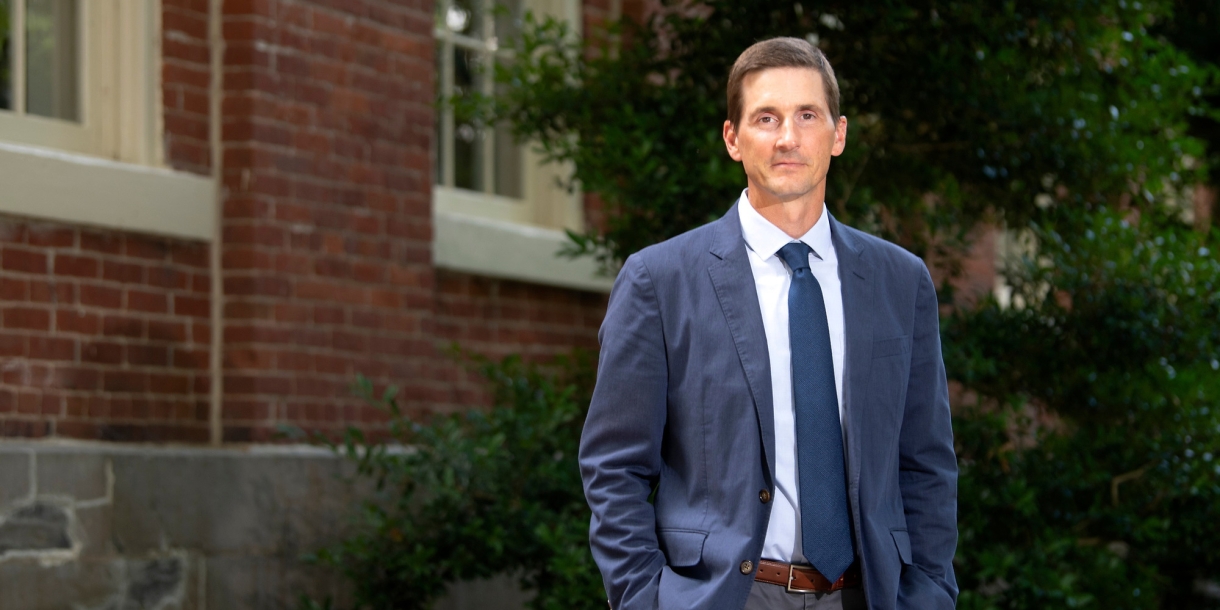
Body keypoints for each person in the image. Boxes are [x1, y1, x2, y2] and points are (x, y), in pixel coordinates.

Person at [578, 37, 958, 610]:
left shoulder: (900, 283)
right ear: (733, 138)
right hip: (726, 597)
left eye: (807, 115)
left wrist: (928, 593)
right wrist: (644, 599)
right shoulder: (659, 281)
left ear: (839, 134)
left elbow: (925, 461)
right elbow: (614, 468)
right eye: (766, 118)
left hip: (870, 596)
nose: (788, 137)